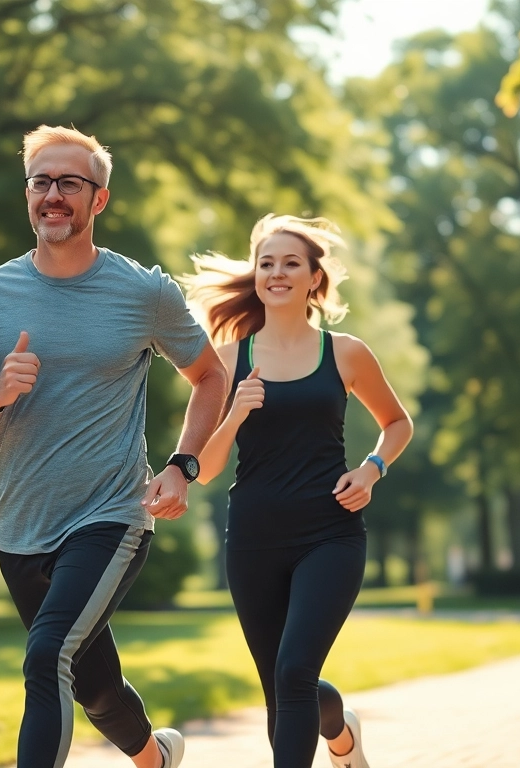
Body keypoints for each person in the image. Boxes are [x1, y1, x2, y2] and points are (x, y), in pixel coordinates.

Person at [0, 125, 228, 768]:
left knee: (47, 657)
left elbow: (211, 376)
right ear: (27, 194)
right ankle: (156, 759)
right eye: (41, 182)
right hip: (20, 528)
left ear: (100, 199)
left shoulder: (143, 291)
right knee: (95, 687)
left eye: (70, 183)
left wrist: (182, 466)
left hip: (110, 516)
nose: (53, 195)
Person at [184, 214, 414, 768]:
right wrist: (235, 413)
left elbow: (397, 423)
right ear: (256, 276)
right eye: (266, 263)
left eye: (291, 263)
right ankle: (342, 734)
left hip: (329, 534)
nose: (277, 273)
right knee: (284, 688)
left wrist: (371, 469)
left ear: (315, 278)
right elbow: (204, 469)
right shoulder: (227, 359)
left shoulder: (346, 353)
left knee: (293, 673)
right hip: (254, 540)